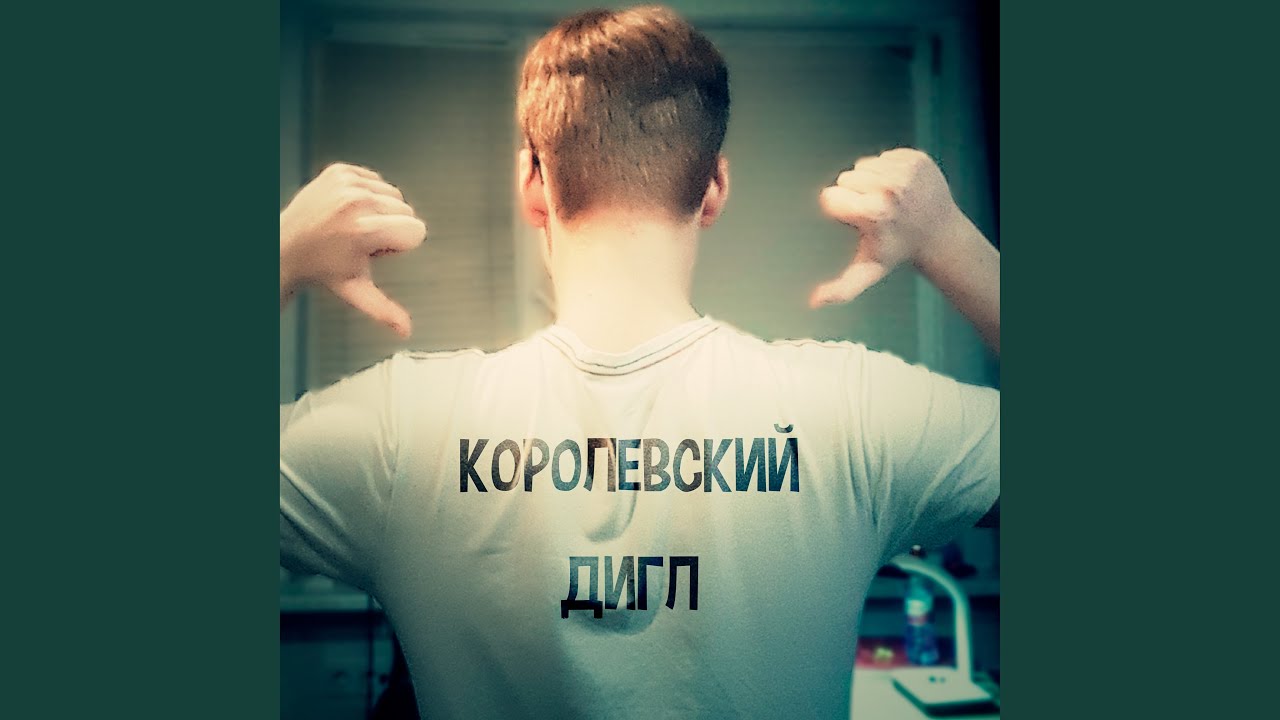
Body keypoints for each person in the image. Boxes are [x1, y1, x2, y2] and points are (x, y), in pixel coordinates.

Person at [279, 5, 999, 718]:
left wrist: (279, 254)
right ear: (714, 187)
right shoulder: (854, 409)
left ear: (532, 182)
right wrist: (948, 240)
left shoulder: (403, 428)